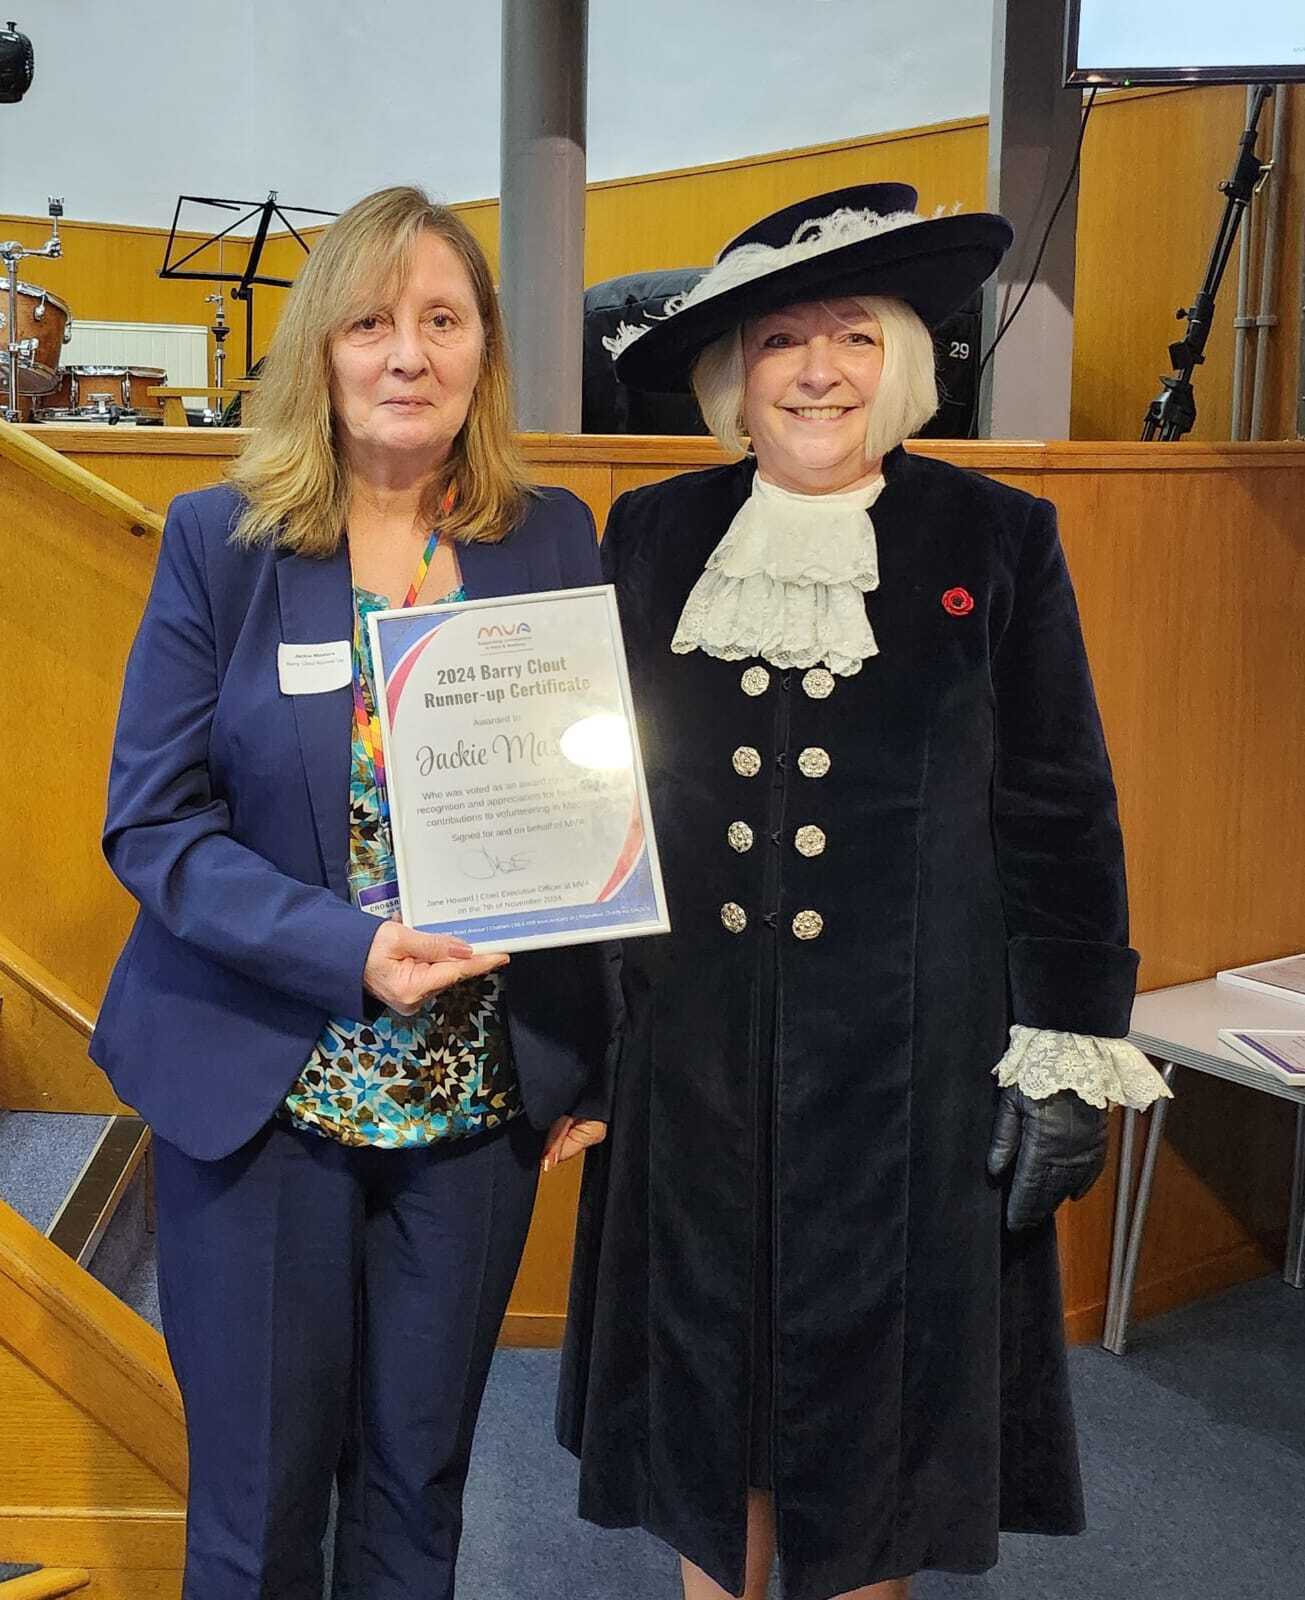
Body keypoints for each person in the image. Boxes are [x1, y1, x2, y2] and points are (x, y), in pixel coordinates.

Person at [557, 184, 1171, 1600]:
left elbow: (1058, 800)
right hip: (694, 1054)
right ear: (734, 377)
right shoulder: (651, 532)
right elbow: (598, 796)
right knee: (711, 1410)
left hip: (911, 1071)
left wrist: (1067, 1041)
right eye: (780, 341)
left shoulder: (994, 536)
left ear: (900, 360)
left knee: (866, 1420)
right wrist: (574, 1026)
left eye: (849, 335)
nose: (816, 370)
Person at [90, 185, 609, 1600]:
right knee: (257, 1511)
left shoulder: (549, 534)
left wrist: (597, 1045)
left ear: (482, 351)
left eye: (442, 321)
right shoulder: (224, 540)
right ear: (321, 348)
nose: (406, 354)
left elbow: (596, 801)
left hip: (474, 1098)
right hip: (271, 1086)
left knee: (417, 1484)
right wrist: (350, 948)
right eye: (373, 322)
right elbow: (154, 824)